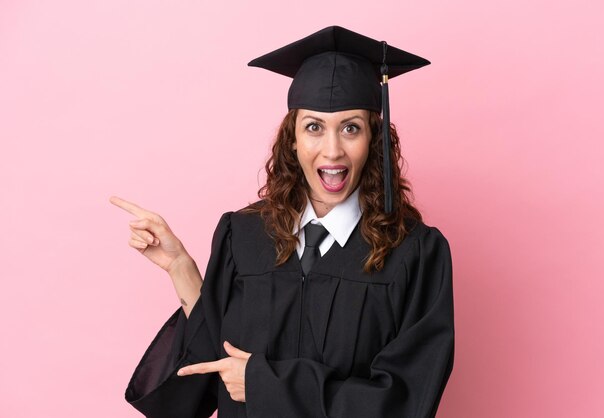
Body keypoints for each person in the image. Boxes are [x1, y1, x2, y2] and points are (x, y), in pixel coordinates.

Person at [111, 26, 454, 418]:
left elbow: (406, 401)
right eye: (313, 127)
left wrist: (265, 383)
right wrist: (180, 267)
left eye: (351, 128)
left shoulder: (415, 252)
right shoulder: (242, 235)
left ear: (373, 139)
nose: (332, 149)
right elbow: (211, 365)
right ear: (292, 138)